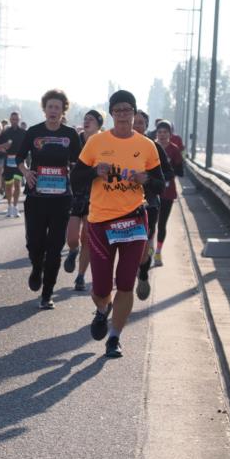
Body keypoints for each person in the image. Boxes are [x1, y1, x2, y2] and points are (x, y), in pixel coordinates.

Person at [71, 90, 165, 358]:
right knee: (100, 289)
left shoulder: (147, 146)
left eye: (128, 109)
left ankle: (114, 338)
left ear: (135, 113)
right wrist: (93, 172)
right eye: (118, 109)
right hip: (101, 222)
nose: (123, 114)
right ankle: (102, 310)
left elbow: (160, 184)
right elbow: (75, 180)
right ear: (111, 113)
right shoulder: (96, 143)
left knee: (125, 283)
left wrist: (146, 180)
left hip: (134, 220)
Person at [17, 90, 83, 308]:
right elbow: (19, 158)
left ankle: (47, 294)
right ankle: (37, 267)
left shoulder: (70, 134)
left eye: (58, 107)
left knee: (55, 247)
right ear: (44, 109)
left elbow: (78, 162)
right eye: (50, 107)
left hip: (61, 198)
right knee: (34, 243)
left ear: (63, 110)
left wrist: (74, 177)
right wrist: (27, 173)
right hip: (36, 197)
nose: (53, 111)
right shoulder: (34, 132)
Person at [133, 110, 176, 300]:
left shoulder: (154, 148)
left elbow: (167, 174)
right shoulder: (113, 145)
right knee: (122, 245)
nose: (136, 126)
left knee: (144, 246)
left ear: (146, 126)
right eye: (134, 122)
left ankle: (143, 272)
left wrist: (147, 180)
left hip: (148, 204)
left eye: (140, 123)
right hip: (118, 205)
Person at [64, 109, 103, 289]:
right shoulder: (76, 140)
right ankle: (73, 250)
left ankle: (80, 276)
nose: (87, 121)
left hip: (95, 195)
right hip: (75, 192)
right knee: (72, 238)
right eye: (85, 118)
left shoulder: (104, 143)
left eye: (91, 120)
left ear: (98, 124)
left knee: (87, 238)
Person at [154, 120, 184, 266]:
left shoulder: (174, 149)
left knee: (162, 224)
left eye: (165, 132)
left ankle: (158, 252)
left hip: (168, 192)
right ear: (156, 133)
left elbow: (180, 170)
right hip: (152, 191)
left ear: (170, 134)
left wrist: (168, 173)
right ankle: (147, 249)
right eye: (159, 132)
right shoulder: (151, 146)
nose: (162, 135)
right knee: (150, 224)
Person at [0, 110, 27, 217]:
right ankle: (9, 206)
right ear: (10, 120)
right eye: (13, 119)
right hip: (8, 161)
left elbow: (28, 147)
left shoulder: (23, 132)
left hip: (19, 161)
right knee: (8, 186)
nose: (14, 121)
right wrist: (4, 146)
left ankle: (15, 207)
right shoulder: (6, 132)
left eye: (16, 119)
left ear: (19, 120)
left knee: (17, 184)